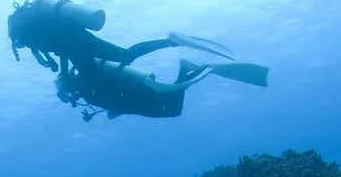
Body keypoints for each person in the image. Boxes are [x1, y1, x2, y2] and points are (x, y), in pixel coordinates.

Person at [8, 0, 234, 74]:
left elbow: (60, 50)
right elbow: (58, 49)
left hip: (78, 43)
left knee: (121, 60)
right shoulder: (35, 28)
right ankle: (170, 42)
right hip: (79, 38)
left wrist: (62, 70)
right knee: (109, 65)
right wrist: (60, 68)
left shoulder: (31, 37)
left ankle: (170, 41)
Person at [55, 58, 269, 121]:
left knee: (173, 109)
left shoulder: (88, 86)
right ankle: (188, 70)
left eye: (64, 92)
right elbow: (113, 103)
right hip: (137, 97)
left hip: (140, 95)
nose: (68, 96)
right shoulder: (87, 89)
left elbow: (113, 96)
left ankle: (187, 69)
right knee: (173, 108)